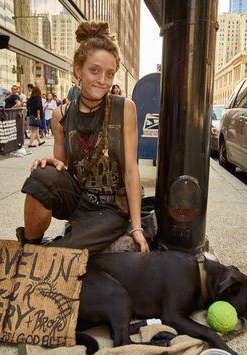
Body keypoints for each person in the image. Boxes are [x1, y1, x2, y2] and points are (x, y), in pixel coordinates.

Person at [19, 21, 149, 254]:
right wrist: (51, 164)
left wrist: (137, 227)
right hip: (79, 199)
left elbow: (131, 170)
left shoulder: (125, 108)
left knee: (64, 255)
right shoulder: (61, 114)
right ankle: (30, 246)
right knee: (41, 177)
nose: (103, 80)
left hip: (112, 207)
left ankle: (55, 249)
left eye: (110, 74)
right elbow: (63, 167)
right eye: (95, 70)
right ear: (78, 70)